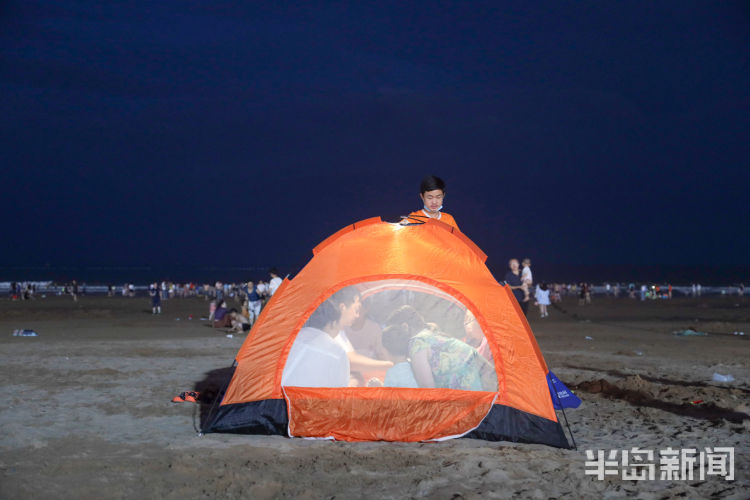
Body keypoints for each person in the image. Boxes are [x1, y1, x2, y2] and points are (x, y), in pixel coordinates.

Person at [382, 305, 497, 391]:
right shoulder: (432, 333)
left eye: (396, 332)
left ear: (405, 327)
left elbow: (428, 390)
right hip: (490, 384)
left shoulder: (417, 343)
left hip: (474, 393)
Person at [281, 289, 353, 387]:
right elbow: (340, 393)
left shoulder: (293, 337)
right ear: (333, 323)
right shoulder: (337, 351)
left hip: (276, 397)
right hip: (304, 401)